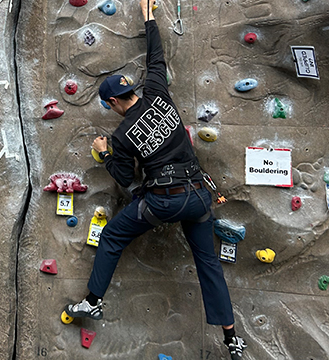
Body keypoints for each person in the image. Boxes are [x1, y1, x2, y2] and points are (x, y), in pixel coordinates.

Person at [63, 1, 248, 359]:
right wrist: (149, 16)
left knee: (114, 235)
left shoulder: (122, 134)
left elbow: (122, 176)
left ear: (115, 101)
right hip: (198, 197)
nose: (111, 110)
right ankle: (232, 339)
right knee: (208, 264)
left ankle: (93, 302)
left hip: (165, 200)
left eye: (108, 105)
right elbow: (156, 58)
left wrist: (103, 154)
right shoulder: (158, 93)